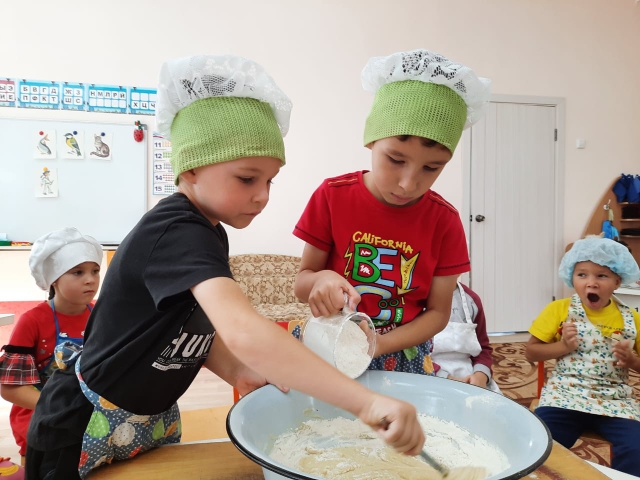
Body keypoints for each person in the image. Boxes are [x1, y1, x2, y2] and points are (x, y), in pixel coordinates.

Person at [24, 55, 425, 480]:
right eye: (247, 179)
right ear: (191, 168)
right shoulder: (177, 230)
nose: (263, 195)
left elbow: (190, 326)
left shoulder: (211, 231)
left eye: (270, 181)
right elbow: (243, 330)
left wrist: (236, 370)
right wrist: (365, 403)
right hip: (81, 422)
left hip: (146, 416)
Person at [293, 49, 491, 375]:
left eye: (432, 168)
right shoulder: (332, 196)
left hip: (400, 355)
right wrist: (323, 278)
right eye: (396, 160)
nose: (408, 184)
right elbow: (302, 284)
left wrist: (379, 344)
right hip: (328, 344)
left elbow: (438, 313)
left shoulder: (444, 222)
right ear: (371, 140)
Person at [525, 237, 640, 476]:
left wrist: (632, 361)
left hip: (614, 401)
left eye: (602, 276)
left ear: (617, 281)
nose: (591, 283)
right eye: (582, 275)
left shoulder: (632, 318)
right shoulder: (558, 310)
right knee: (541, 444)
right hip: (564, 395)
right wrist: (563, 346)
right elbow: (531, 353)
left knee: (636, 448)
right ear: (571, 278)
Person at [0, 227, 102, 462]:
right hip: (40, 418)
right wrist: (58, 407)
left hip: (86, 413)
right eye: (77, 272)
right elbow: (10, 389)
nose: (90, 279)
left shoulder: (100, 315)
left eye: (95, 271)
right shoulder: (32, 321)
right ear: (54, 279)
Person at [431, 281, 500, 393]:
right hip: (428, 376)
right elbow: (412, 355)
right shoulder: (413, 300)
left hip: (469, 378)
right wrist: (446, 378)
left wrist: (480, 376)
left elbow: (483, 349)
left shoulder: (471, 300)